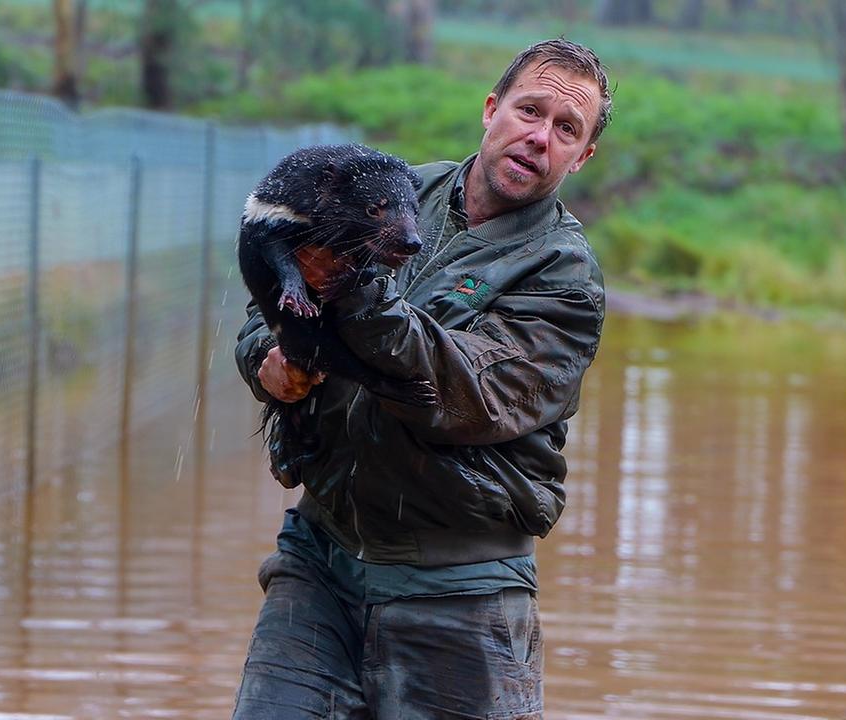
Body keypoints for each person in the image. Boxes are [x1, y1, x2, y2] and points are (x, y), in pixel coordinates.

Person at [232, 38, 611, 720]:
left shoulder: (566, 279)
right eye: (529, 110)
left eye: (566, 129)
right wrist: (269, 360)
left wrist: (355, 290)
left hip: (460, 591)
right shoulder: (391, 188)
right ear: (491, 110)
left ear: (581, 157)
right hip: (320, 560)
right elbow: (265, 303)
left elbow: (458, 392)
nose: (539, 137)